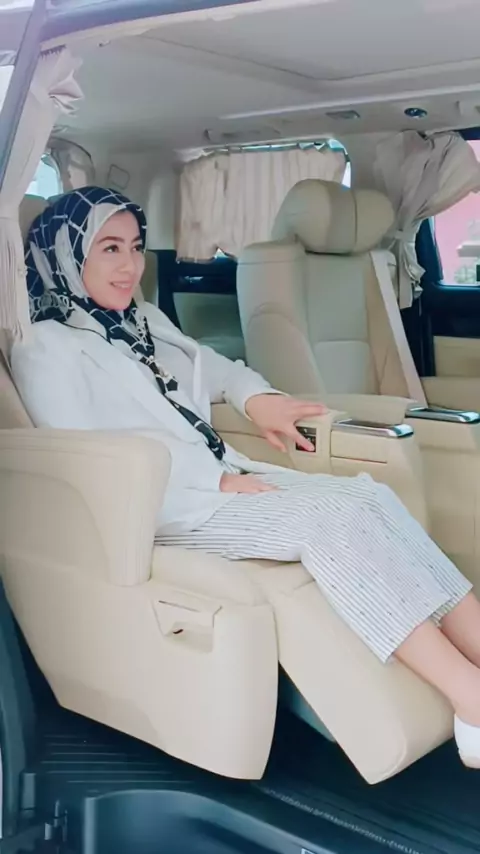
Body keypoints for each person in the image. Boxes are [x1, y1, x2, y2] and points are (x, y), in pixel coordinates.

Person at [11, 186, 480, 766]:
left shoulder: (141, 320)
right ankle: (470, 699)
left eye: (134, 247)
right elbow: (91, 466)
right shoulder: (45, 347)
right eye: (109, 248)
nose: (130, 265)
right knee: (332, 522)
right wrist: (211, 487)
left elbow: (219, 370)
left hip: (219, 477)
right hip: (162, 509)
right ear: (66, 255)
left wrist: (258, 400)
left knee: (371, 498)